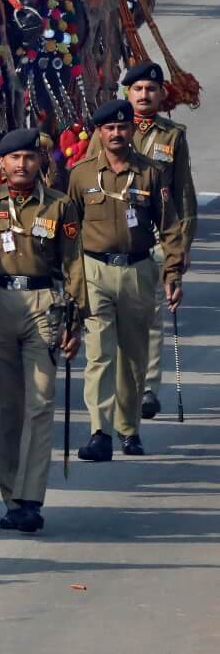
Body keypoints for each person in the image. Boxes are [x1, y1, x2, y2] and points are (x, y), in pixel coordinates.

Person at [0, 127, 84, 534]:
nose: (22, 164)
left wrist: (76, 321)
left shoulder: (60, 207)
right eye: (14, 158)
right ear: (2, 164)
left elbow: (75, 264)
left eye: (30, 157)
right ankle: (12, 498)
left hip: (43, 306)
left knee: (41, 403)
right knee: (5, 410)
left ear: (40, 162)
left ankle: (31, 499)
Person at [69, 98, 182, 461]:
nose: (116, 133)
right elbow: (69, 229)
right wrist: (67, 279)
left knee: (133, 357)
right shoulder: (82, 174)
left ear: (131, 130)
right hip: (94, 270)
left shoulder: (150, 173)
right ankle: (99, 431)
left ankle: (128, 429)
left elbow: (169, 226)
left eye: (122, 127)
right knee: (99, 354)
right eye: (109, 128)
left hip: (137, 270)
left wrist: (173, 272)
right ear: (100, 133)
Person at [122, 62, 196, 419]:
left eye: (151, 89)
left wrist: (180, 248)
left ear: (161, 94)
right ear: (126, 94)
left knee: (152, 314)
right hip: (116, 238)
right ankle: (121, 383)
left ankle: (148, 386)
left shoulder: (173, 136)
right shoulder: (109, 131)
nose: (144, 95)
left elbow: (184, 195)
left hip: (156, 237)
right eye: (137, 89)